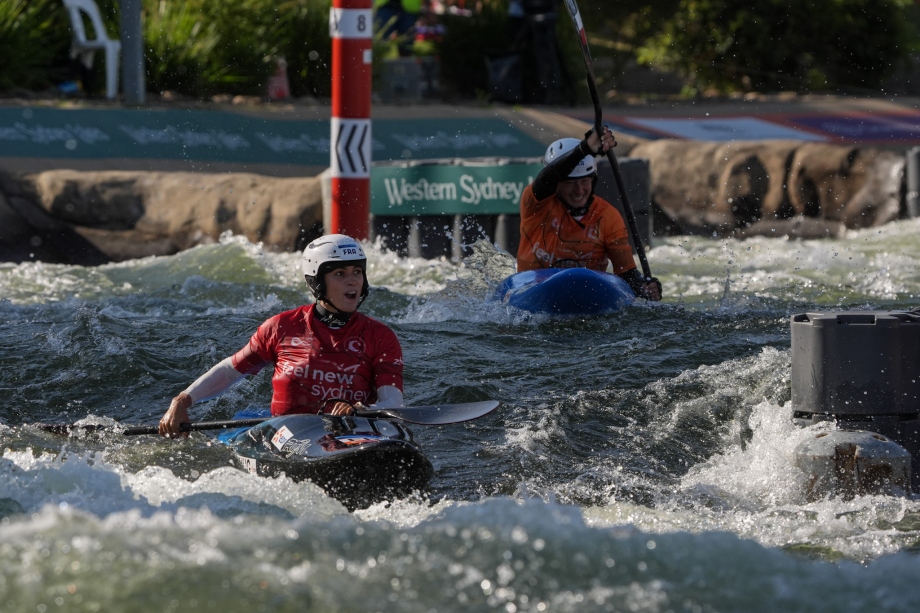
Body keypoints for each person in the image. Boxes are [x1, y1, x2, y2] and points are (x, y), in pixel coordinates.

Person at [158, 234, 404, 438]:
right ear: (317, 282)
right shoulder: (281, 327)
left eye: (357, 272)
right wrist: (182, 401)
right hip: (288, 434)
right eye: (340, 274)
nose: (353, 281)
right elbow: (231, 371)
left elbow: (393, 402)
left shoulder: (380, 336)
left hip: (352, 432)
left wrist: (361, 409)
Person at [516, 127, 662, 301]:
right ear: (556, 184)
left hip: (586, 297)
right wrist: (584, 149)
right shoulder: (535, 204)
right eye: (570, 183)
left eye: (584, 181)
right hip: (533, 288)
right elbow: (547, 178)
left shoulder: (608, 216)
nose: (579, 191)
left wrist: (643, 286)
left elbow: (626, 274)